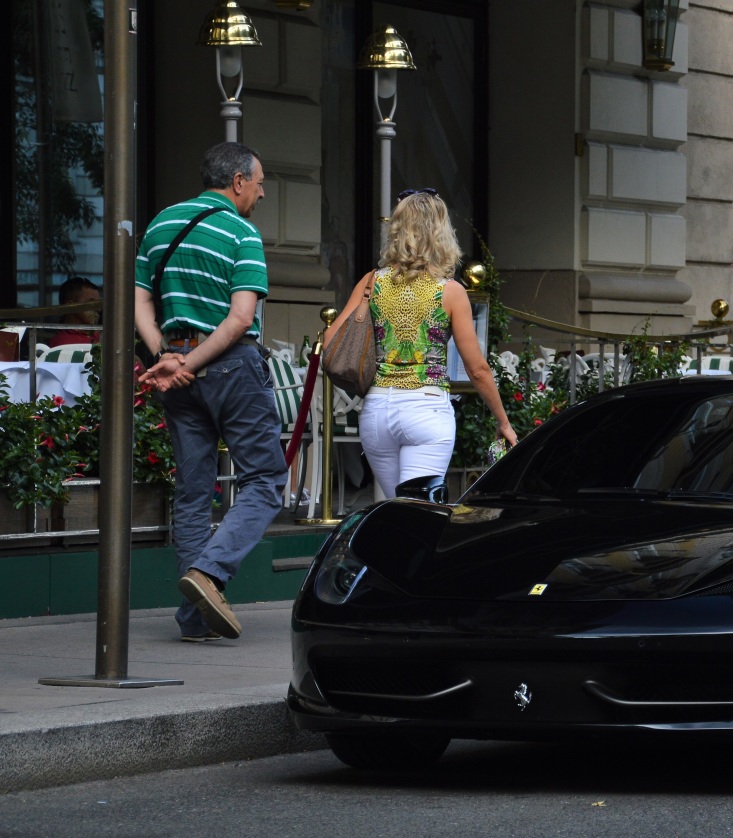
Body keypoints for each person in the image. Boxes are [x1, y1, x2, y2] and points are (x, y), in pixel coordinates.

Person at [133, 141, 287, 643]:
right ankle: (211, 572)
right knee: (265, 479)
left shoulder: (160, 224)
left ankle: (195, 619)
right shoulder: (242, 232)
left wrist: (167, 359)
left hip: (177, 364)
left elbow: (139, 300)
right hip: (230, 366)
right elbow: (241, 318)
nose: (262, 193)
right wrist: (187, 363)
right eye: (260, 183)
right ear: (238, 181)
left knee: (194, 492)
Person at [323, 187, 517, 500]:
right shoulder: (450, 291)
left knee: (397, 512)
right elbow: (477, 368)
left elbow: (332, 341)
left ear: (397, 230)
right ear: (441, 232)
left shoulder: (372, 281)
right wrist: (503, 421)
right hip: (426, 410)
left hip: (376, 411)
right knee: (417, 519)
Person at [48, 277, 102, 347]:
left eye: (98, 304)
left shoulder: (97, 334)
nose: (98, 309)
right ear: (70, 306)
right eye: (91, 303)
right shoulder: (62, 345)